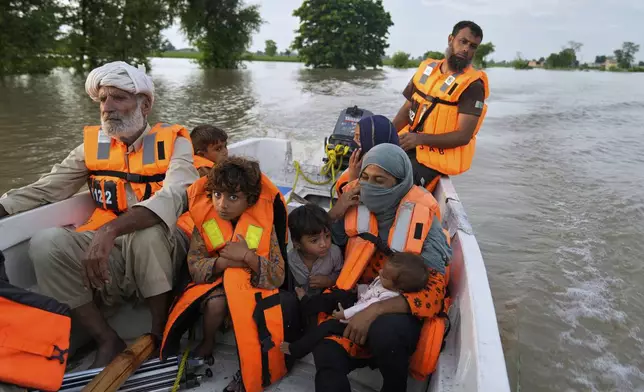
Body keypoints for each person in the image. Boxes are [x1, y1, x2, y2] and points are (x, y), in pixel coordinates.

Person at [0, 61, 199, 368]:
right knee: (45, 243)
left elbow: (175, 196)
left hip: (168, 245)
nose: (107, 107)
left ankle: (159, 332)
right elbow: (48, 188)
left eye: (118, 98)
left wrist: (110, 231)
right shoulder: (92, 147)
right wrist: (3, 206)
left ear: (144, 105)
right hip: (114, 248)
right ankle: (106, 338)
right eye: (103, 99)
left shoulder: (175, 142)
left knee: (147, 234)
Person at [313, 143, 452, 392]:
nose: (368, 186)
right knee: (325, 352)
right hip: (357, 299)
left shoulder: (422, 221)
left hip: (397, 314)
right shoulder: (353, 207)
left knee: (384, 332)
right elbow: (320, 249)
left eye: (380, 180)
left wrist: (375, 310)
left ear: (399, 184)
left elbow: (434, 291)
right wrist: (336, 211)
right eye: (364, 177)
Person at [160, 157, 293, 392]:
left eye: (233, 197)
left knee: (253, 312)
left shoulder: (265, 227)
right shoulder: (206, 223)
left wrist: (247, 257)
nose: (222, 204)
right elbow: (195, 267)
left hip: (252, 288)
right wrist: (222, 262)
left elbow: (278, 275)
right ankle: (208, 342)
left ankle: (249, 367)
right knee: (215, 304)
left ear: (250, 200)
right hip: (217, 284)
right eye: (217, 195)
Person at [393, 20, 490, 191]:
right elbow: (407, 109)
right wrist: (385, 135)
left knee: (391, 181)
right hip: (407, 144)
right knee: (366, 161)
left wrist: (419, 139)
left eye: (473, 46)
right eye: (463, 41)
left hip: (433, 158)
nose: (467, 49)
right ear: (450, 39)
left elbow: (463, 136)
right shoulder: (426, 69)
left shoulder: (473, 85)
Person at [280, 252, 428, 359]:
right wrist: (358, 289)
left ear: (399, 289)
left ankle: (296, 350)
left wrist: (343, 315)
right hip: (358, 303)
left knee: (327, 326)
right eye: (383, 269)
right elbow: (371, 289)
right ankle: (308, 304)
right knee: (336, 296)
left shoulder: (388, 296)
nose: (380, 272)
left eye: (385, 275)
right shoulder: (386, 282)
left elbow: (365, 307)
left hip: (355, 322)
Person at [176, 124, 229, 238]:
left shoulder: (188, 164)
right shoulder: (205, 171)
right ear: (201, 154)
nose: (225, 152)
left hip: (182, 222)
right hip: (193, 226)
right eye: (218, 149)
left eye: (225, 146)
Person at [287, 204, 343, 297]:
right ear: (297, 243)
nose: (324, 244)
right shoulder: (290, 260)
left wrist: (329, 281)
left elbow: (341, 274)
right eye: (314, 240)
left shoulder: (334, 253)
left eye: (327, 236)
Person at [335, 115, 399, 196]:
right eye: (354, 136)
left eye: (358, 138)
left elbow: (358, 206)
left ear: (373, 143)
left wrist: (353, 180)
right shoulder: (355, 167)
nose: (353, 142)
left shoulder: (386, 179)